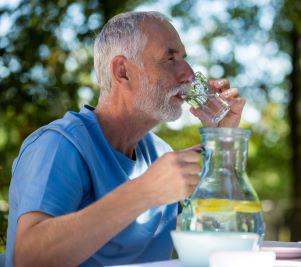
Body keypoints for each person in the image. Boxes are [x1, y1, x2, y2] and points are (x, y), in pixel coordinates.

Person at [5, 11, 246, 267]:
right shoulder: (60, 145)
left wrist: (221, 137)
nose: (188, 73)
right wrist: (144, 191)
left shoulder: (160, 154)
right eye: (170, 58)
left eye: (184, 59)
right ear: (123, 71)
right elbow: (28, 259)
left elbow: (221, 238)